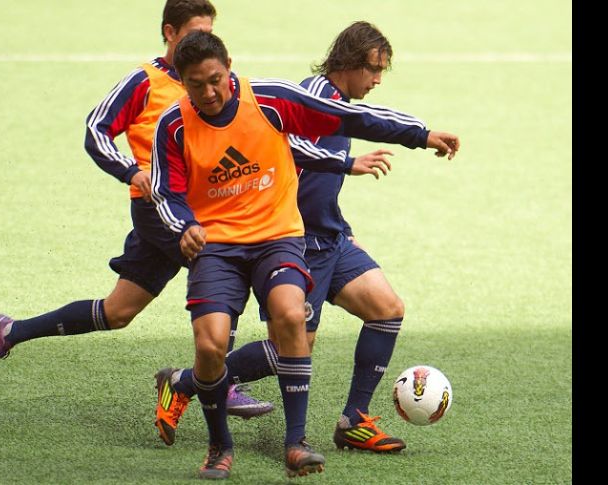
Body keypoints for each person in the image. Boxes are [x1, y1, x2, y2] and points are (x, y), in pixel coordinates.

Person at [150, 30, 459, 479]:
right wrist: (185, 225)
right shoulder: (291, 100)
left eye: (216, 79)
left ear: (229, 66)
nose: (377, 79)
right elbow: (289, 153)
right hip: (289, 241)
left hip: (320, 237)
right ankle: (184, 382)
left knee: (385, 309)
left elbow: (332, 143)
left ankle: (349, 421)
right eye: (373, 68)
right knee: (281, 344)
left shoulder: (285, 99)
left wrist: (416, 138)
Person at [0, 0, 274, 418]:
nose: (201, 44)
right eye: (193, 33)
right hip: (160, 211)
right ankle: (220, 384)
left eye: (209, 34)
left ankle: (12, 331)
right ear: (169, 33)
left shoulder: (213, 82)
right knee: (225, 268)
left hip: (198, 208)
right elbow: (96, 129)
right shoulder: (144, 81)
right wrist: (131, 172)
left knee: (118, 312)